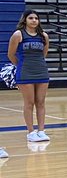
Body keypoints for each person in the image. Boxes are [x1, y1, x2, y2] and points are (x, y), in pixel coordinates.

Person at [9, 9, 50, 142]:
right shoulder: (18, 34)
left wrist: (37, 63)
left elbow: (43, 54)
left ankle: (41, 131)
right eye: (31, 18)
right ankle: (31, 132)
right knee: (29, 102)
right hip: (25, 72)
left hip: (41, 71)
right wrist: (21, 65)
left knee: (41, 102)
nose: (34, 20)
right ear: (25, 20)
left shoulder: (44, 36)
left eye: (36, 18)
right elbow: (11, 54)